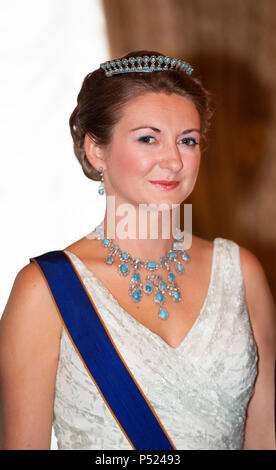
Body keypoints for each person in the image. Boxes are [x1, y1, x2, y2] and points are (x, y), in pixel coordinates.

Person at [0, 49, 275, 451]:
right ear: (97, 151)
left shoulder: (241, 272)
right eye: (148, 138)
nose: (173, 160)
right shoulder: (45, 290)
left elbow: (266, 436)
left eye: (188, 140)